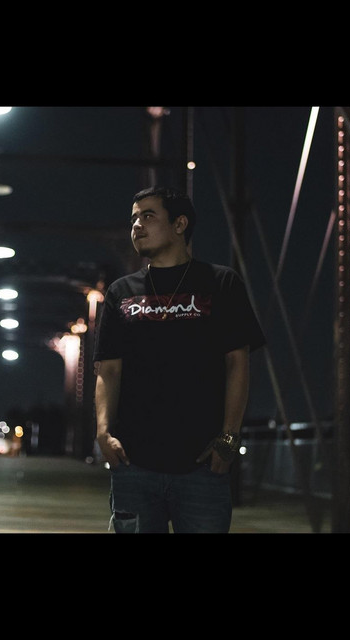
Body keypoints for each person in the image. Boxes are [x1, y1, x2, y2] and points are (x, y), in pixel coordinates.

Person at [94, 186, 265, 533]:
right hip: (134, 462)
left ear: (180, 224)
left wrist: (229, 438)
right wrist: (103, 432)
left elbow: (237, 364)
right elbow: (108, 369)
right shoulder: (121, 292)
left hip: (202, 463)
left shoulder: (221, 283)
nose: (137, 226)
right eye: (133, 219)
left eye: (148, 216)